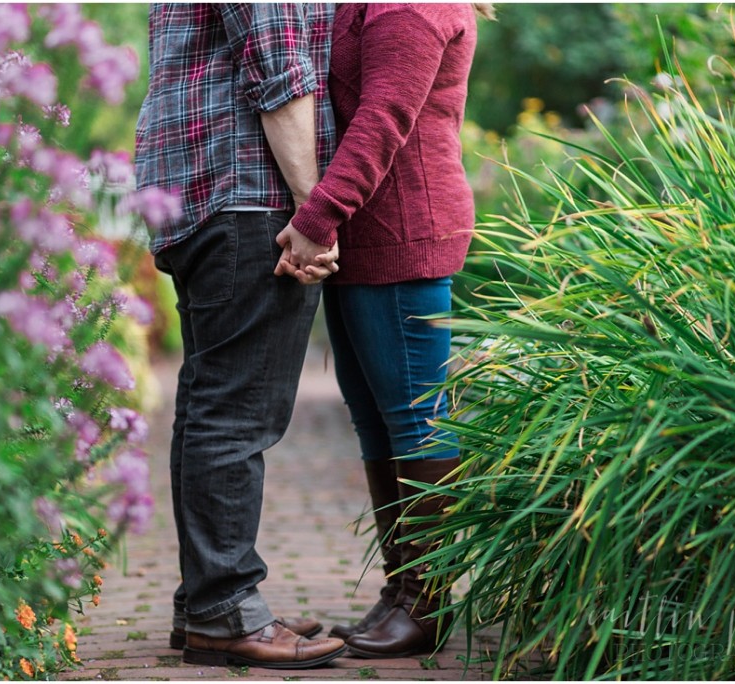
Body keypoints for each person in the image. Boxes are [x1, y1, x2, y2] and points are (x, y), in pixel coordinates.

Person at [274, 2, 491, 658]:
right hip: (366, 236)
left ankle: (426, 602)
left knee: (415, 418)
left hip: (403, 233)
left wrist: (316, 216)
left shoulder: (411, 7)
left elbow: (383, 119)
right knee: (375, 419)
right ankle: (402, 590)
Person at [134, 3, 344, 669]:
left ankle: (206, 599)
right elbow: (279, 68)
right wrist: (316, 211)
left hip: (201, 190)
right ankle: (225, 608)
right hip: (246, 190)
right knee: (235, 413)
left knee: (207, 405)